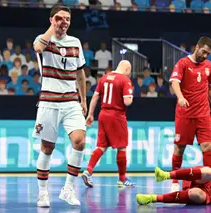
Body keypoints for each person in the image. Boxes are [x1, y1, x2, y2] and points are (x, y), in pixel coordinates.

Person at [32, 5, 87, 207]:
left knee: (80, 141)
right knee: (47, 147)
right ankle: (43, 193)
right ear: (51, 20)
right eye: (59, 18)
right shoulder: (43, 39)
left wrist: (84, 100)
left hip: (71, 101)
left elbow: (80, 72)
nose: (64, 22)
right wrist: (53, 27)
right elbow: (38, 48)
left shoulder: (75, 42)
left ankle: (68, 188)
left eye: (67, 19)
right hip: (48, 101)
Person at [169, 36, 211, 192]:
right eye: (203, 52)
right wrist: (180, 97)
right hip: (185, 114)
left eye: (208, 54)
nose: (205, 56)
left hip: (203, 114)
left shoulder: (209, 65)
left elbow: (210, 87)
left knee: (207, 146)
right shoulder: (183, 63)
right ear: (197, 46)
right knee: (179, 148)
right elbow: (174, 82)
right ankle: (175, 181)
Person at [82, 60, 135, 188]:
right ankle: (122, 179)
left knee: (102, 146)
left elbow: (95, 97)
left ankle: (88, 171)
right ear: (127, 69)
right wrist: (131, 95)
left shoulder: (104, 78)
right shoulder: (125, 80)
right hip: (116, 116)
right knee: (122, 147)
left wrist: (90, 114)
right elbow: (127, 101)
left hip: (103, 114)